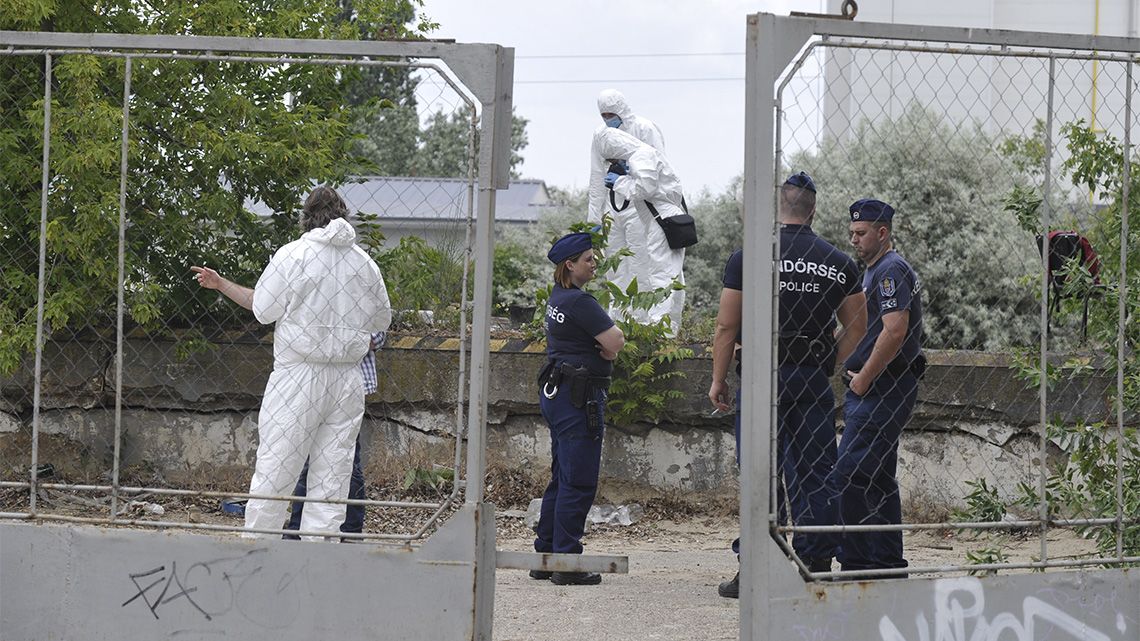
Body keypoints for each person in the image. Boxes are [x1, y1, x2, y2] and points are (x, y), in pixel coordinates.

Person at [192, 186, 391, 539]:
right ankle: (317, 563)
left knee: (276, 470)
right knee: (332, 481)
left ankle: (257, 554)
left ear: (306, 216)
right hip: (347, 379)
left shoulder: (293, 255)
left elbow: (264, 310)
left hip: (299, 375)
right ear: (343, 215)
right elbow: (381, 321)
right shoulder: (365, 263)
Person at [708, 172, 867, 598]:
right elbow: (857, 326)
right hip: (810, 379)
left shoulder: (750, 257)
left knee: (760, 472)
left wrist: (718, 379)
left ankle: (757, 566)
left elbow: (726, 326)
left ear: (777, 206)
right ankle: (814, 562)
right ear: (812, 209)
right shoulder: (838, 261)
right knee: (817, 472)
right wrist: (828, 363)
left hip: (761, 377)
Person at [827, 198, 924, 579]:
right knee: (877, 477)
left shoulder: (889, 271)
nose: (854, 239)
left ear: (883, 232)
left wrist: (864, 376)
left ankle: (856, 563)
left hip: (883, 387)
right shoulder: (872, 271)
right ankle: (885, 563)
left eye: (862, 232)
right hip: (878, 386)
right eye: (851, 232)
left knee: (847, 473)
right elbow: (860, 329)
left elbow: (895, 330)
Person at [532, 232, 625, 586]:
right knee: (579, 481)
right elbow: (615, 340)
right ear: (569, 265)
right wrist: (610, 351)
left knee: (563, 477)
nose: (594, 263)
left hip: (560, 394)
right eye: (588, 258)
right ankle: (566, 561)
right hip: (578, 399)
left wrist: (604, 350)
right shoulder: (579, 302)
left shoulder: (558, 298)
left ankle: (545, 554)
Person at [591, 126, 687, 335]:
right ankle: (665, 325)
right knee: (668, 273)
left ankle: (661, 328)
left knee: (662, 274)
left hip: (661, 221)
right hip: (663, 219)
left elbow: (645, 189)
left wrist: (620, 182)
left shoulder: (640, 156)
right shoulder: (644, 155)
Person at [587, 89, 665, 228]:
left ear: (621, 110)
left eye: (611, 115)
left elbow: (659, 170)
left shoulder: (644, 129)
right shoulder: (601, 135)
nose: (607, 119)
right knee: (613, 249)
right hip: (612, 206)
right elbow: (597, 175)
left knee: (638, 249)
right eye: (604, 116)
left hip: (640, 204)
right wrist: (594, 217)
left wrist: (627, 171)